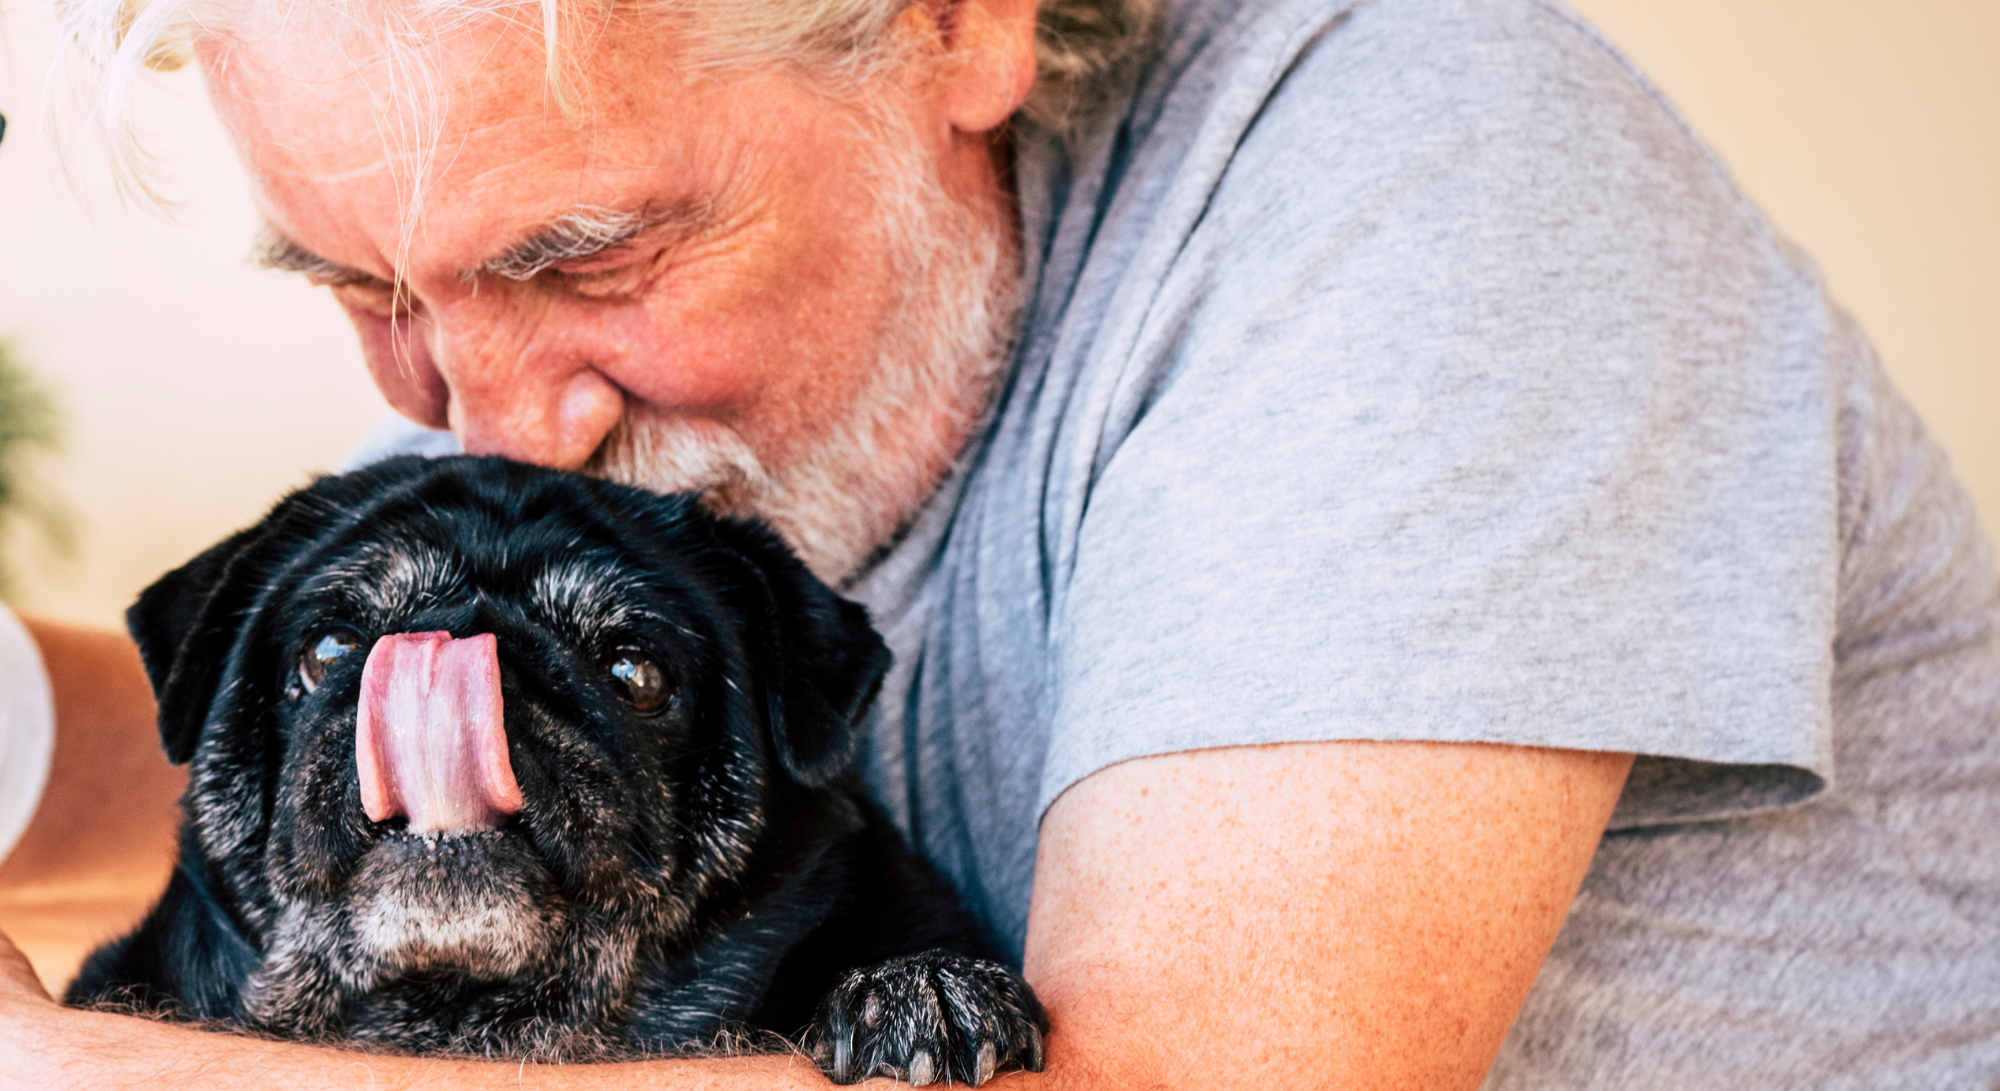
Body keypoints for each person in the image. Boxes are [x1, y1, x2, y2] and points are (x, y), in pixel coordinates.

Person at [2, 0, 1996, 1085]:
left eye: (588, 254)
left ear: (956, 21)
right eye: (367, 290)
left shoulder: (1425, 180)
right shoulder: (561, 379)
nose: (493, 418)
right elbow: (351, 762)